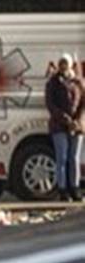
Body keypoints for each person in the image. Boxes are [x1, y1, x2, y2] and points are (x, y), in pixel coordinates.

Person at [45, 53, 84, 201]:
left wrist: (78, 120)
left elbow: (83, 102)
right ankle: (62, 190)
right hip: (59, 126)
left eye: (65, 63)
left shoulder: (77, 82)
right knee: (62, 158)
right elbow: (51, 105)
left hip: (77, 126)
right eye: (61, 63)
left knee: (74, 158)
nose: (63, 66)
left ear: (70, 64)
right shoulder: (52, 83)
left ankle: (74, 188)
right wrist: (66, 120)